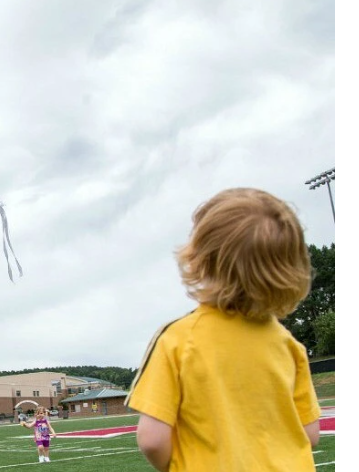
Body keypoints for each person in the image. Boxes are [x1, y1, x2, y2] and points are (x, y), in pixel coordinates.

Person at [125, 188, 321, 472]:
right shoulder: (290, 346)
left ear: (200, 258)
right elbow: (310, 434)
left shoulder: (177, 339)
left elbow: (152, 439)